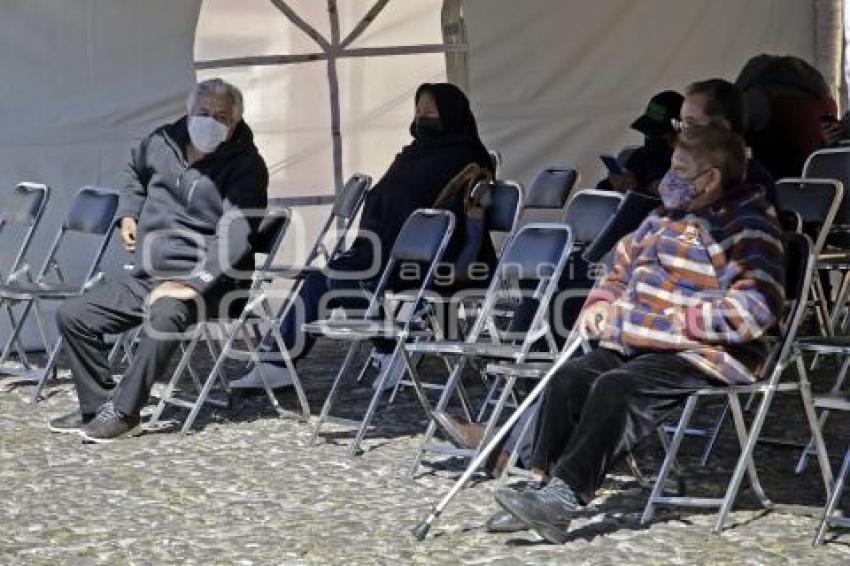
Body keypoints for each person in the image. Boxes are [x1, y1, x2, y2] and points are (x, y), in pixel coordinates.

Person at [489, 125, 785, 544]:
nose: (669, 177)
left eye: (679, 170)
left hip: (704, 351)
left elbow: (757, 310)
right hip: (639, 339)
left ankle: (564, 496)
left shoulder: (748, 227)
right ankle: (542, 486)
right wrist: (600, 303)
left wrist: (668, 325)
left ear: (712, 177)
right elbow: (619, 268)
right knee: (569, 378)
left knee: (618, 386)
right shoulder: (661, 219)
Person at [230, 82, 494, 389]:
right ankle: (279, 363)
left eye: (431, 110)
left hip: (438, 258)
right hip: (388, 249)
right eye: (419, 109)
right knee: (319, 280)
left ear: (451, 114)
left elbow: (450, 215)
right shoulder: (414, 153)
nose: (422, 115)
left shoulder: (467, 158)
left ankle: (390, 349)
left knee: (344, 277)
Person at [50, 78, 268, 442]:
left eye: (221, 116)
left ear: (234, 123)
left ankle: (125, 412)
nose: (210, 121)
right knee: (74, 314)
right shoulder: (160, 142)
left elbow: (236, 233)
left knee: (165, 312)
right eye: (203, 113)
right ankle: (98, 406)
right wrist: (129, 213)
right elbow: (134, 174)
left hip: (212, 282)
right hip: (151, 273)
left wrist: (192, 283)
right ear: (188, 112)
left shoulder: (247, 165)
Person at [736, 54, 838, 179]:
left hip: (781, 187)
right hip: (826, 186)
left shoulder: (762, 98)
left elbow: (728, 138)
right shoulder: (827, 101)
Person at [679, 78, 776, 205]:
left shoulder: (755, 185)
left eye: (690, 124)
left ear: (722, 129)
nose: (682, 134)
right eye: (682, 123)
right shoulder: (685, 170)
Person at [598, 90, 683, 195]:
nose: (649, 137)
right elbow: (601, 191)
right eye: (646, 132)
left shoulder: (687, 167)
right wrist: (615, 183)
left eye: (657, 133)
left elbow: (669, 203)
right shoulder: (641, 156)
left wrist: (635, 190)